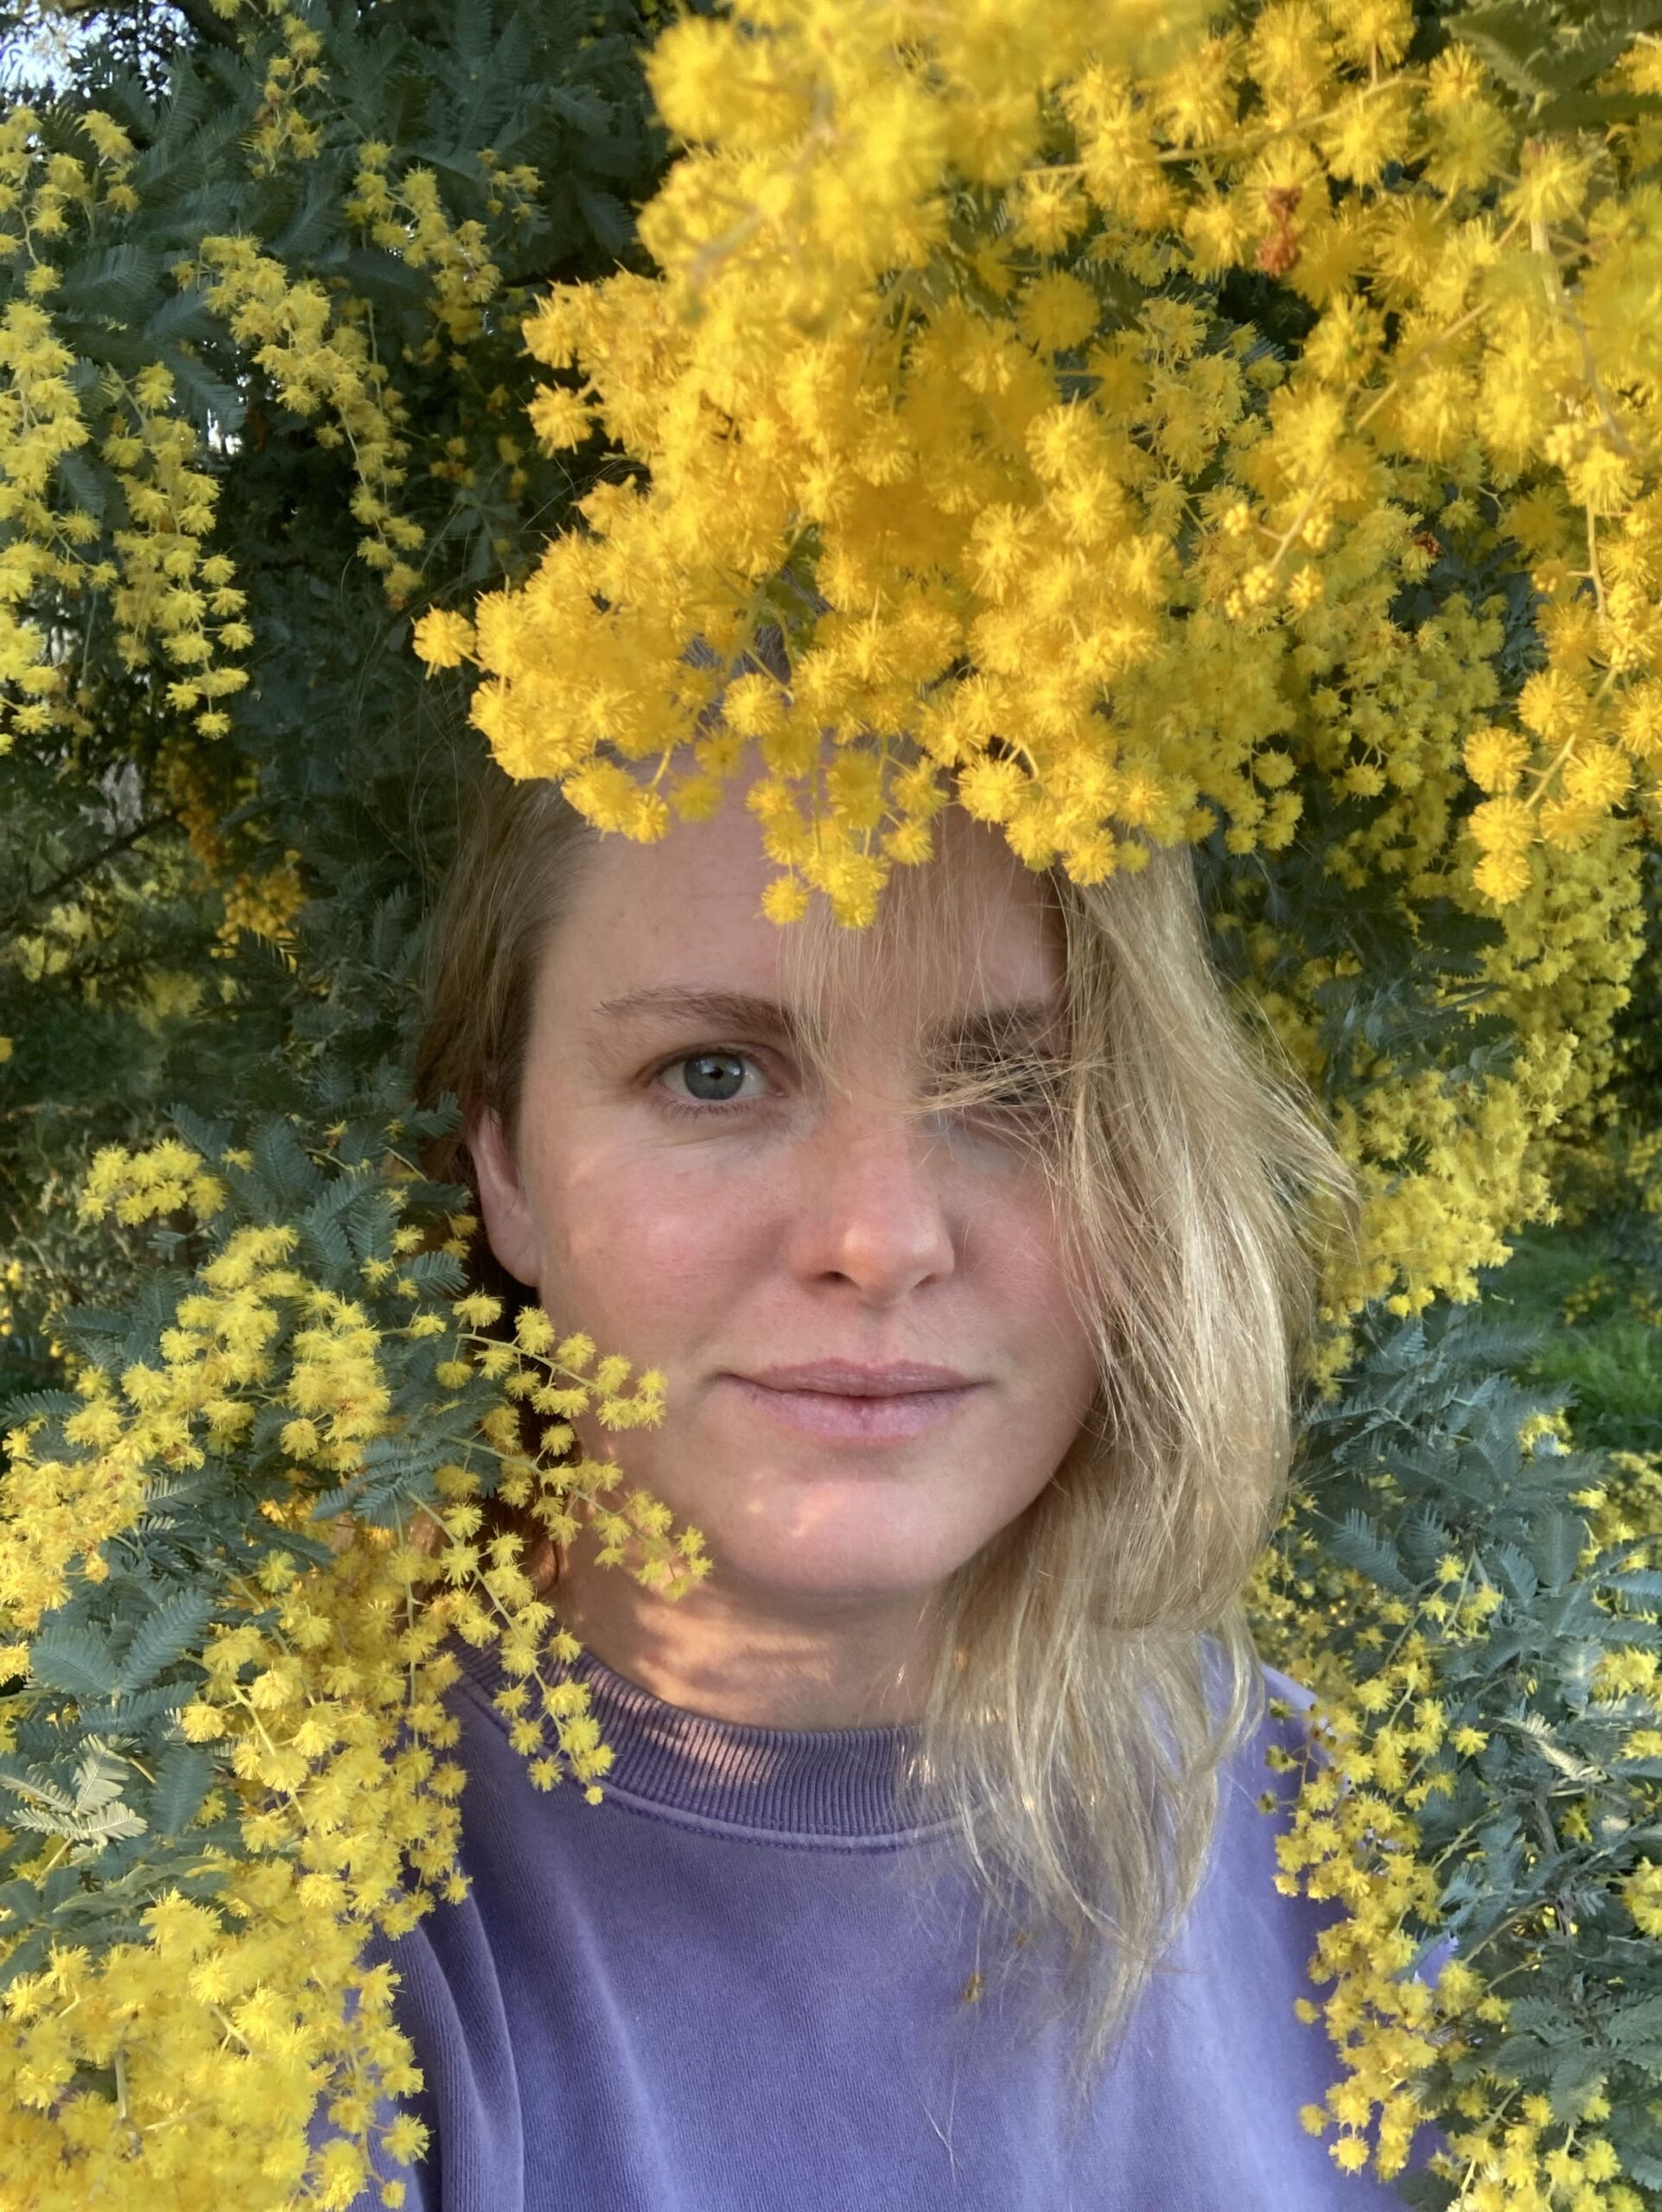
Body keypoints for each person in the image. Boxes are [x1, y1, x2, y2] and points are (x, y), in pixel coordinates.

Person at [345, 741, 1440, 2209]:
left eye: (1016, 1086)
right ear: (505, 1166)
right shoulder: (276, 1931)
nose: (881, 1238)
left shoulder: (1358, 1854)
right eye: (714, 1075)